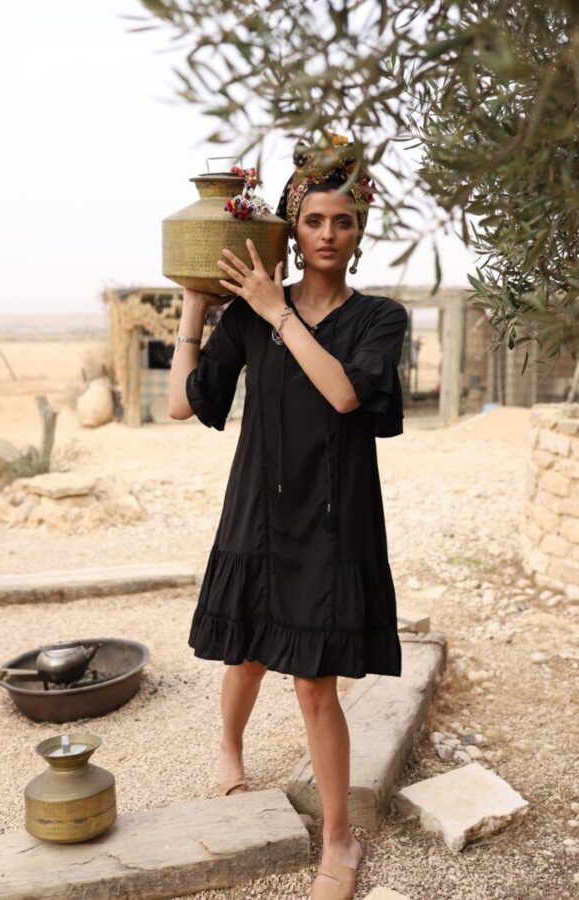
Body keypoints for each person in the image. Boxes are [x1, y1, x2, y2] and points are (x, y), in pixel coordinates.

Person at [168, 133, 409, 900]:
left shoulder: (379, 319)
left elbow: (343, 394)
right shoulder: (249, 315)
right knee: (244, 653)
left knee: (313, 684)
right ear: (292, 229)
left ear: (360, 230)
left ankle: (339, 841)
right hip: (258, 509)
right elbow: (181, 404)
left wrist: (277, 311)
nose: (328, 234)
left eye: (343, 221)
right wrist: (196, 299)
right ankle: (229, 750)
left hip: (333, 518)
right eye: (314, 221)